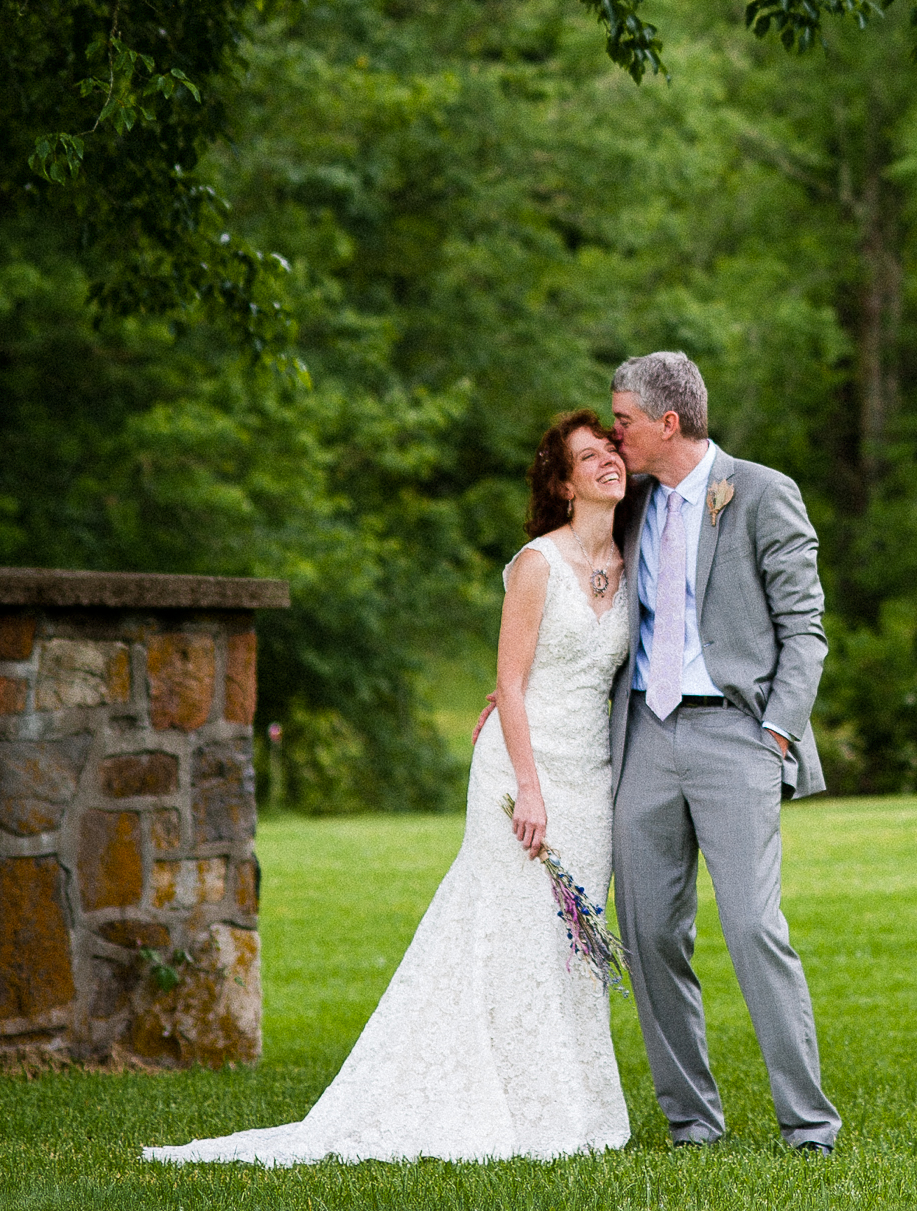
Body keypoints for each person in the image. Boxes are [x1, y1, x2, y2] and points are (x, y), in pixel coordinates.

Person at [144, 412, 636, 1165]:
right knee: (505, 933)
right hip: (524, 773)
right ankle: (485, 1099)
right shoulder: (538, 563)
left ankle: (567, 1102)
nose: (607, 459)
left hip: (592, 777)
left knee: (566, 945)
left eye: (610, 448)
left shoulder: (633, 561)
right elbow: (510, 681)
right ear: (565, 484)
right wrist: (529, 790)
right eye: (589, 455)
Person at [601, 350, 839, 1153]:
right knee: (649, 935)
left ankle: (808, 1125)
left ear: (668, 422)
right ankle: (691, 1122)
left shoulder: (764, 494)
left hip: (736, 734)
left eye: (624, 420)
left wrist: (775, 732)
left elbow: (805, 629)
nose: (613, 434)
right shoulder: (626, 505)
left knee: (751, 928)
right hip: (643, 736)